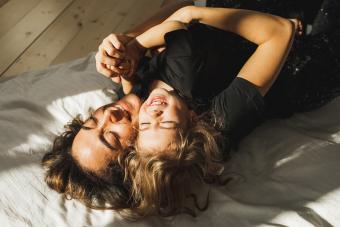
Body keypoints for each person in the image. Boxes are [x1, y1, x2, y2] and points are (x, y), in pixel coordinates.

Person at [96, 1, 340, 218]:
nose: (153, 114)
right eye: (111, 136)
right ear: (193, 120)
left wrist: (126, 43)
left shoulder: (140, 107)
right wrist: (186, 15)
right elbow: (279, 32)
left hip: (248, 30)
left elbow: (175, 11)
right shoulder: (219, 121)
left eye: (145, 125)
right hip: (304, 65)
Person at [41, 0, 195, 219]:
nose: (109, 114)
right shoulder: (187, 106)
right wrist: (138, 45)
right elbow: (186, 14)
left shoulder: (133, 87)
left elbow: (182, 5)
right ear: (138, 158)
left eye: (92, 121)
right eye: (112, 137)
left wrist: (125, 42)